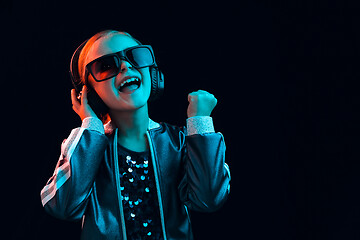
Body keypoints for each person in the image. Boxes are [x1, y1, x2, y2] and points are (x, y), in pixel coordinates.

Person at [40, 29, 231, 240]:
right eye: (105, 66)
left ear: (153, 73)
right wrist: (90, 127)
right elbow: (63, 206)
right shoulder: (86, 148)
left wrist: (200, 121)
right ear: (89, 94)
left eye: (135, 55)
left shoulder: (179, 142)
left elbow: (209, 198)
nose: (125, 66)